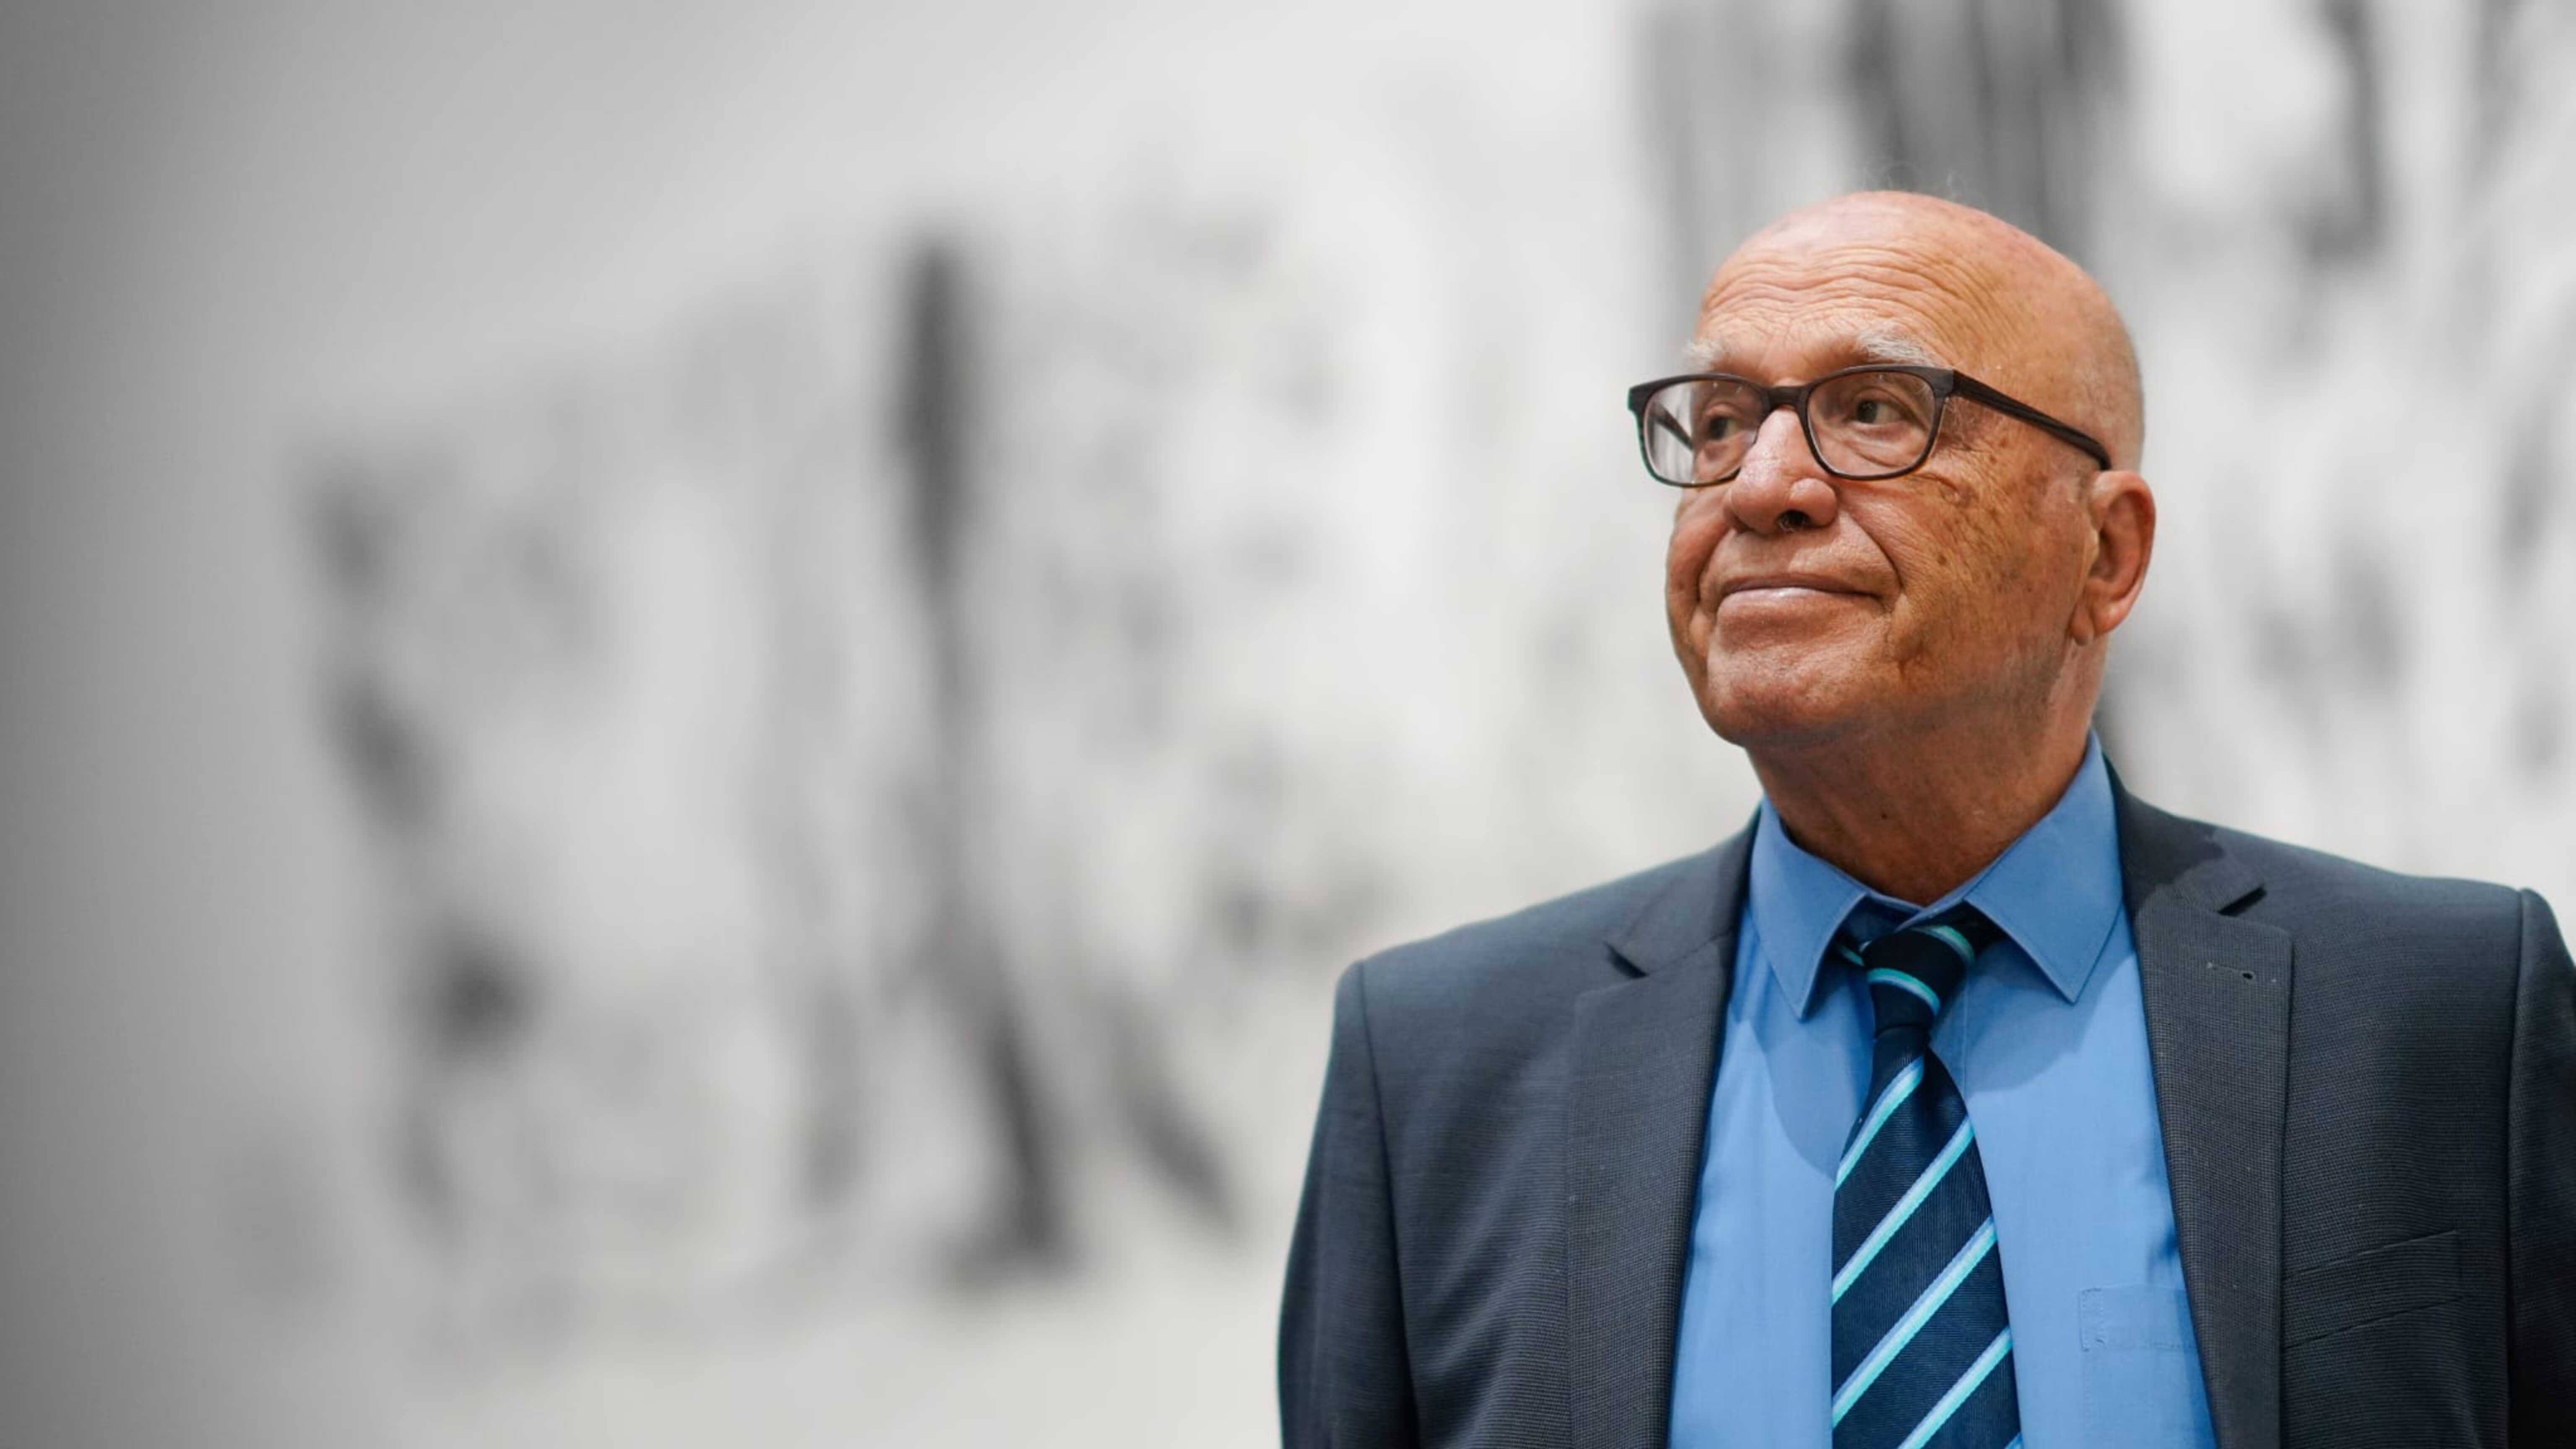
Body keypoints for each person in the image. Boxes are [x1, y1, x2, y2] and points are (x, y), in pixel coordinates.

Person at [1277, 191, 2575, 1449]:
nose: (1762, 486)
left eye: (1874, 410)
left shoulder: (2444, 1011)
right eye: (1719, 423)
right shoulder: (1437, 1072)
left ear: (2106, 555)